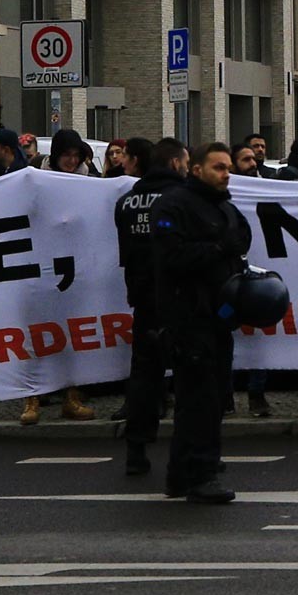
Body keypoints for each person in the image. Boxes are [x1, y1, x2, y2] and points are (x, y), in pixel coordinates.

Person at [150, 142, 249, 503]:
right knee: (199, 399)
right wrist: (218, 250)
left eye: (227, 168)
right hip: (188, 317)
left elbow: (240, 242)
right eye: (218, 168)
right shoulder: (174, 206)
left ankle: (183, 473)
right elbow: (171, 256)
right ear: (196, 170)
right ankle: (200, 474)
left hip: (218, 316)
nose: (226, 174)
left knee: (213, 396)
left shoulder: (225, 207)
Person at [116, 139, 189, 476]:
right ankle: (191, 450)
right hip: (181, 297)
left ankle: (136, 448)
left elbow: (126, 254)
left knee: (144, 376)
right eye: (185, 162)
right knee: (193, 375)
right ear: (174, 163)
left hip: (144, 298)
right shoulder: (185, 199)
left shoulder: (127, 202)